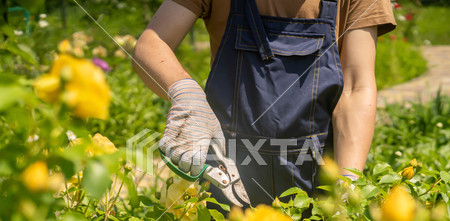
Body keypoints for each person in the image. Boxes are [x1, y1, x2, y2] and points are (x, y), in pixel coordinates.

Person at [133, 0, 396, 206]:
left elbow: (356, 85)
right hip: (230, 170)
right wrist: (186, 94)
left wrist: (349, 181)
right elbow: (152, 43)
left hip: (321, 177)